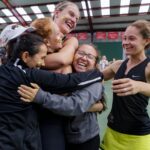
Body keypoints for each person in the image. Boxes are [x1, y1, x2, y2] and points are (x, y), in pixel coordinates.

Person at [0, 24, 103, 150]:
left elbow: (76, 102)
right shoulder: (29, 73)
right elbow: (68, 82)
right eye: (21, 39)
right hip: (19, 141)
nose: (43, 62)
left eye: (90, 56)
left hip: (80, 138)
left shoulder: (10, 69)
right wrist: (101, 74)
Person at [18, 44, 105, 150]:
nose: (84, 58)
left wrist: (40, 96)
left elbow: (75, 105)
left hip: (84, 140)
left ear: (95, 62)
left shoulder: (95, 83)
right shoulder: (65, 75)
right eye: (80, 53)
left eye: (90, 56)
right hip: (65, 137)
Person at [30, 2, 81, 150]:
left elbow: (62, 60)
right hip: (27, 104)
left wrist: (30, 62)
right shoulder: (36, 30)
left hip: (52, 112)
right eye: (71, 14)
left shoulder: (71, 40)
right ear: (57, 12)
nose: (74, 20)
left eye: (77, 19)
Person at [99, 20, 150, 150]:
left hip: (137, 136)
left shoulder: (148, 67)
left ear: (146, 41)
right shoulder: (118, 65)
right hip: (112, 131)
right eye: (124, 38)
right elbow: (96, 78)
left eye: (131, 38)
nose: (125, 43)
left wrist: (140, 86)